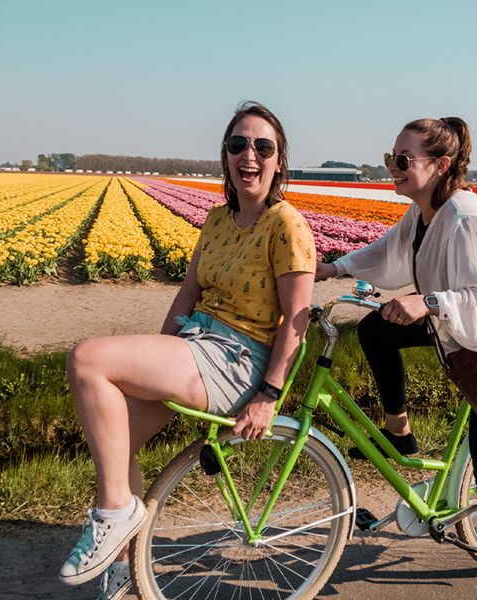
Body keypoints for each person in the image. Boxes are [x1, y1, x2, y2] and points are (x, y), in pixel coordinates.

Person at [59, 101, 316, 600]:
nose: (250, 155)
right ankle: (122, 562)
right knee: (115, 443)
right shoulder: (218, 220)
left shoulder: (288, 226)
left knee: (86, 357)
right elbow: (187, 294)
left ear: (280, 161)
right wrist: (158, 351)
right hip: (195, 343)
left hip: (239, 361)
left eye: (263, 146)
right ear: (225, 156)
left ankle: (118, 514)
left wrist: (268, 395)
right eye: (238, 144)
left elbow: (297, 321)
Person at [316, 117, 477, 600]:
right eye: (390, 159)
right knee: (376, 327)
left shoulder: (468, 217)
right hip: (458, 323)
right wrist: (332, 267)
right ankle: (399, 432)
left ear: (441, 165)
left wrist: (427, 302)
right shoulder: (423, 213)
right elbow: (389, 252)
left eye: (403, 161)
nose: (392, 169)